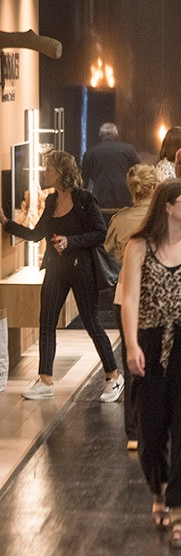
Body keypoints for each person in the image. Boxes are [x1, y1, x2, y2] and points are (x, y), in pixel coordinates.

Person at [120, 179, 181, 548]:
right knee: (149, 433)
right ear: (167, 205)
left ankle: (179, 512)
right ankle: (159, 488)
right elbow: (130, 299)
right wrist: (132, 344)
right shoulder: (138, 246)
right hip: (151, 342)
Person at [0, 150, 123, 402]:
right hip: (56, 268)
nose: (45, 173)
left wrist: (70, 241)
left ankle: (113, 376)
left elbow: (100, 233)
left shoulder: (84, 199)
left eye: (49, 169)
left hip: (81, 268)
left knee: (91, 322)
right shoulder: (51, 201)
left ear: (61, 172)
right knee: (46, 321)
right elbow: (36, 234)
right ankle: (45, 380)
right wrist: (6, 223)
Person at [105, 164, 160, 450]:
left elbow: (111, 250)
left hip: (123, 295)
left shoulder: (120, 219)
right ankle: (157, 428)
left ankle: (133, 432)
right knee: (158, 361)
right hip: (157, 298)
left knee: (131, 363)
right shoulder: (164, 218)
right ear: (155, 187)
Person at [81, 122, 141, 212]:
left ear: (100, 135)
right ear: (116, 135)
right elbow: (139, 172)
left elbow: (83, 180)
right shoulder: (129, 150)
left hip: (100, 197)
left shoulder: (90, 153)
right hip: (125, 195)